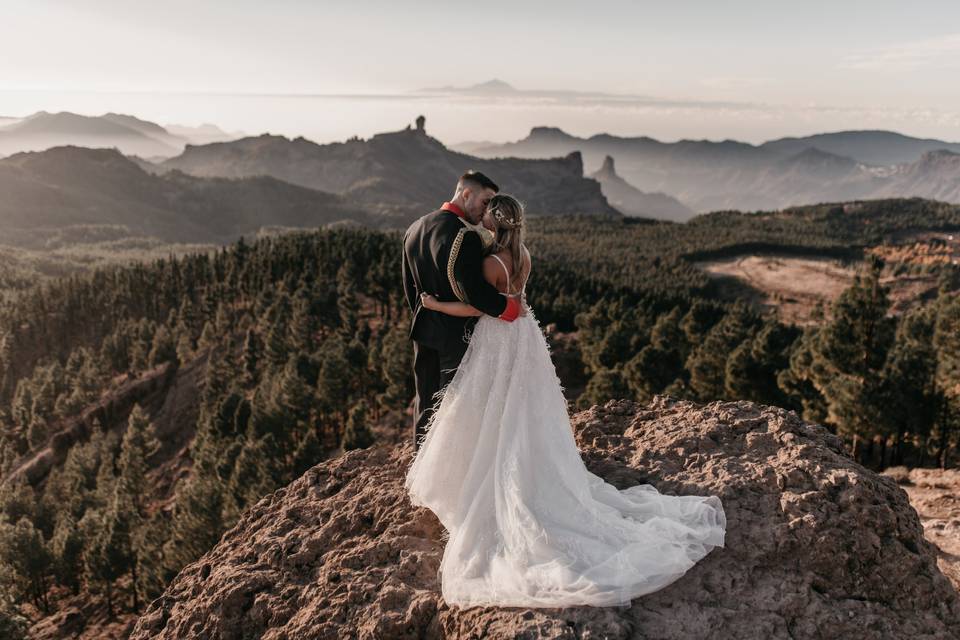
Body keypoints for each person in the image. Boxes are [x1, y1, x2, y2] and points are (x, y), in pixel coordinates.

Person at [404, 193, 727, 608]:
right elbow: (517, 303)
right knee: (524, 408)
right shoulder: (524, 256)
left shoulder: (489, 263)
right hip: (525, 339)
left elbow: (477, 309)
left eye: (486, 214)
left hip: (497, 340)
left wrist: (433, 305)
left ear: (494, 222)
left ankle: (491, 471)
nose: (480, 217)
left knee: (489, 406)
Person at [401, 170, 524, 451]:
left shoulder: (414, 228)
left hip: (423, 331)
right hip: (456, 335)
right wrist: (509, 308)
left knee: (426, 401)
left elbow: (410, 288)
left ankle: (422, 465)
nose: (486, 211)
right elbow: (477, 295)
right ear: (466, 193)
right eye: (485, 201)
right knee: (454, 405)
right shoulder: (465, 237)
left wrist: (426, 313)